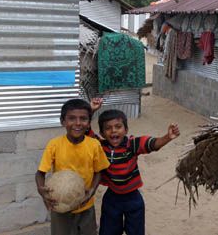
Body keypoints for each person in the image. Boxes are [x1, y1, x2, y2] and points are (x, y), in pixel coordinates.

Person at [97, 109, 180, 235]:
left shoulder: (132, 144)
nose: (113, 131)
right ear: (102, 133)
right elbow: (86, 132)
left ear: (126, 130)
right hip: (111, 197)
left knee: (136, 231)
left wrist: (167, 137)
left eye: (118, 127)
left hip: (133, 198)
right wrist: (91, 110)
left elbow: (151, 144)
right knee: (108, 230)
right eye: (108, 128)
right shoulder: (100, 146)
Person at [35, 98, 110, 235]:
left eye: (83, 119)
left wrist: (92, 191)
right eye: (71, 118)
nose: (77, 123)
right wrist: (42, 191)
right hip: (60, 207)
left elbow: (99, 171)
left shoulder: (94, 145)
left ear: (88, 124)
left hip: (86, 206)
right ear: (63, 121)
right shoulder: (54, 144)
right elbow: (40, 173)